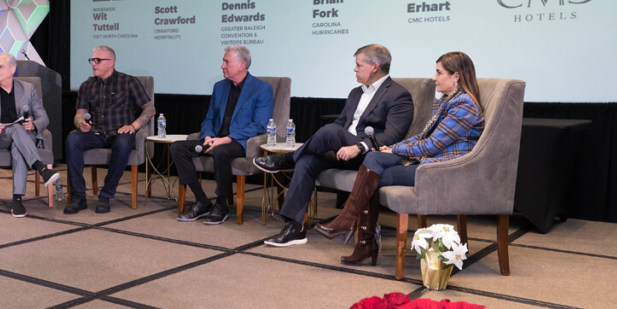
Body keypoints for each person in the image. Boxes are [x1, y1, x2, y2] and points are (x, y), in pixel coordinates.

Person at [316, 52, 485, 265]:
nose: (434, 78)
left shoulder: (464, 105)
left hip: (442, 169)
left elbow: (432, 146)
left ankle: (357, 236)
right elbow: (423, 137)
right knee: (374, 160)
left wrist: (396, 150)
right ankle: (357, 235)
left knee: (371, 176)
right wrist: (392, 148)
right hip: (427, 163)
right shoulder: (448, 101)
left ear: (456, 76)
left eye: (439, 72)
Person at [256, 45, 414, 247]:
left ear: (375, 66)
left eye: (359, 65)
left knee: (330, 131)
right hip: (343, 151)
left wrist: (359, 147)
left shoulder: (399, 95)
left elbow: (392, 136)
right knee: (307, 160)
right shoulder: (355, 93)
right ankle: (295, 228)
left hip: (370, 157)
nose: (354, 69)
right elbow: (341, 124)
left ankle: (287, 160)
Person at [172, 46, 274, 225]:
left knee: (221, 151)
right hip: (215, 138)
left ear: (241, 65)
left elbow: (259, 125)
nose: (222, 66)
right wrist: (208, 137)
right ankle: (202, 201)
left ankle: (221, 206)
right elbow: (209, 118)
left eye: (227, 62)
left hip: (239, 142)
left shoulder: (261, 88)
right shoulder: (219, 86)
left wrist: (226, 139)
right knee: (177, 148)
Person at [65, 46, 155, 214]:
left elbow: (150, 109)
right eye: (92, 60)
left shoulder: (128, 82)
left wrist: (133, 126)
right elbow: (79, 114)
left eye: (98, 60)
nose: (94, 64)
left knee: (123, 143)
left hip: (120, 132)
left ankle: (106, 195)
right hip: (95, 132)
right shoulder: (87, 85)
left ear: (111, 62)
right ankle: (78, 196)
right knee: (72, 140)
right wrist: (80, 123)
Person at [0, 53, 61, 217]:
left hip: (24, 137)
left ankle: (17, 200)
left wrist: (33, 124)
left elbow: (44, 118)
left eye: (1, 67)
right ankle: (41, 168)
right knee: (15, 129)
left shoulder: (28, 88)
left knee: (18, 142)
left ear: (13, 69)